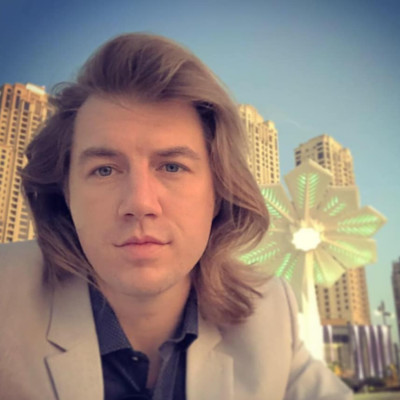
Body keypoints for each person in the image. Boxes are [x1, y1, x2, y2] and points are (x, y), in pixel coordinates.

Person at [0, 33, 352, 400]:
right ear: (66, 194)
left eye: (172, 166)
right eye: (104, 170)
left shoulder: (267, 312)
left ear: (218, 192)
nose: (140, 203)